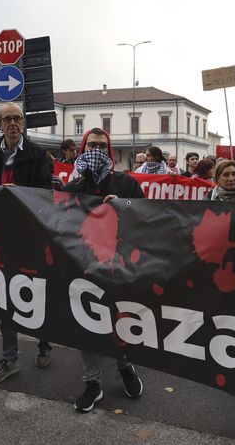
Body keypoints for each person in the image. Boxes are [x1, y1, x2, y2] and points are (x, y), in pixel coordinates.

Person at [63, 128, 144, 412]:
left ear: (109, 150)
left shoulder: (125, 183)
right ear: (82, 149)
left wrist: (124, 207)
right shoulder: (72, 185)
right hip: (82, 265)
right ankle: (92, 383)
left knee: (118, 319)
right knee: (86, 322)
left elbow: (147, 214)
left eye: (101, 146)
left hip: (116, 265)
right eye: (91, 145)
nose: (96, 150)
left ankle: (125, 365)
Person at [0, 102, 54, 385]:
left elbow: (46, 193)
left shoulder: (39, 155)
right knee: (3, 291)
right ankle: (10, 357)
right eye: (6, 118)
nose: (12, 123)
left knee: (35, 290)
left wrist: (17, 193)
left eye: (17, 118)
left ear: (23, 123)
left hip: (29, 234)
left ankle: (45, 341)